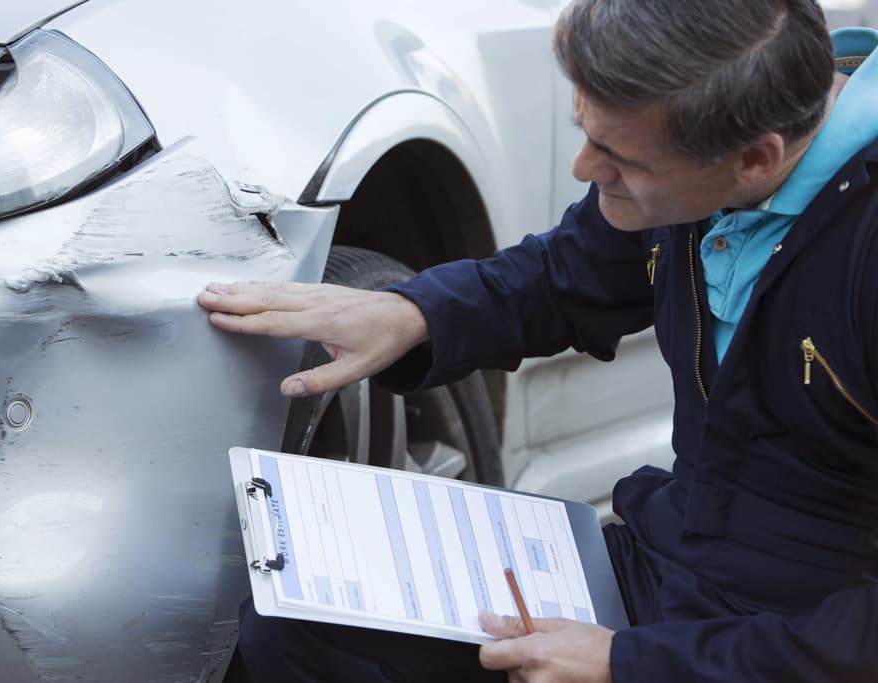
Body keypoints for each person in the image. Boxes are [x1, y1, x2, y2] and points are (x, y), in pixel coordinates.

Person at [198, 0, 878, 680]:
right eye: (583, 132)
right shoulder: (705, 157)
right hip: (665, 569)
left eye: (616, 157)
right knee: (301, 618)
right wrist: (410, 314)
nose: (584, 168)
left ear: (755, 159)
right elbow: (570, 273)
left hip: (798, 637)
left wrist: (629, 663)